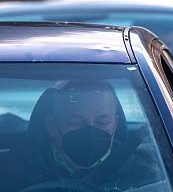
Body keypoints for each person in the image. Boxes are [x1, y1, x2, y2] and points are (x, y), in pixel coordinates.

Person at [1, 80, 163, 192]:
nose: (90, 131)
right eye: (75, 121)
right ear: (51, 125)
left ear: (115, 123)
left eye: (102, 122)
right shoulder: (10, 171)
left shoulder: (146, 174)